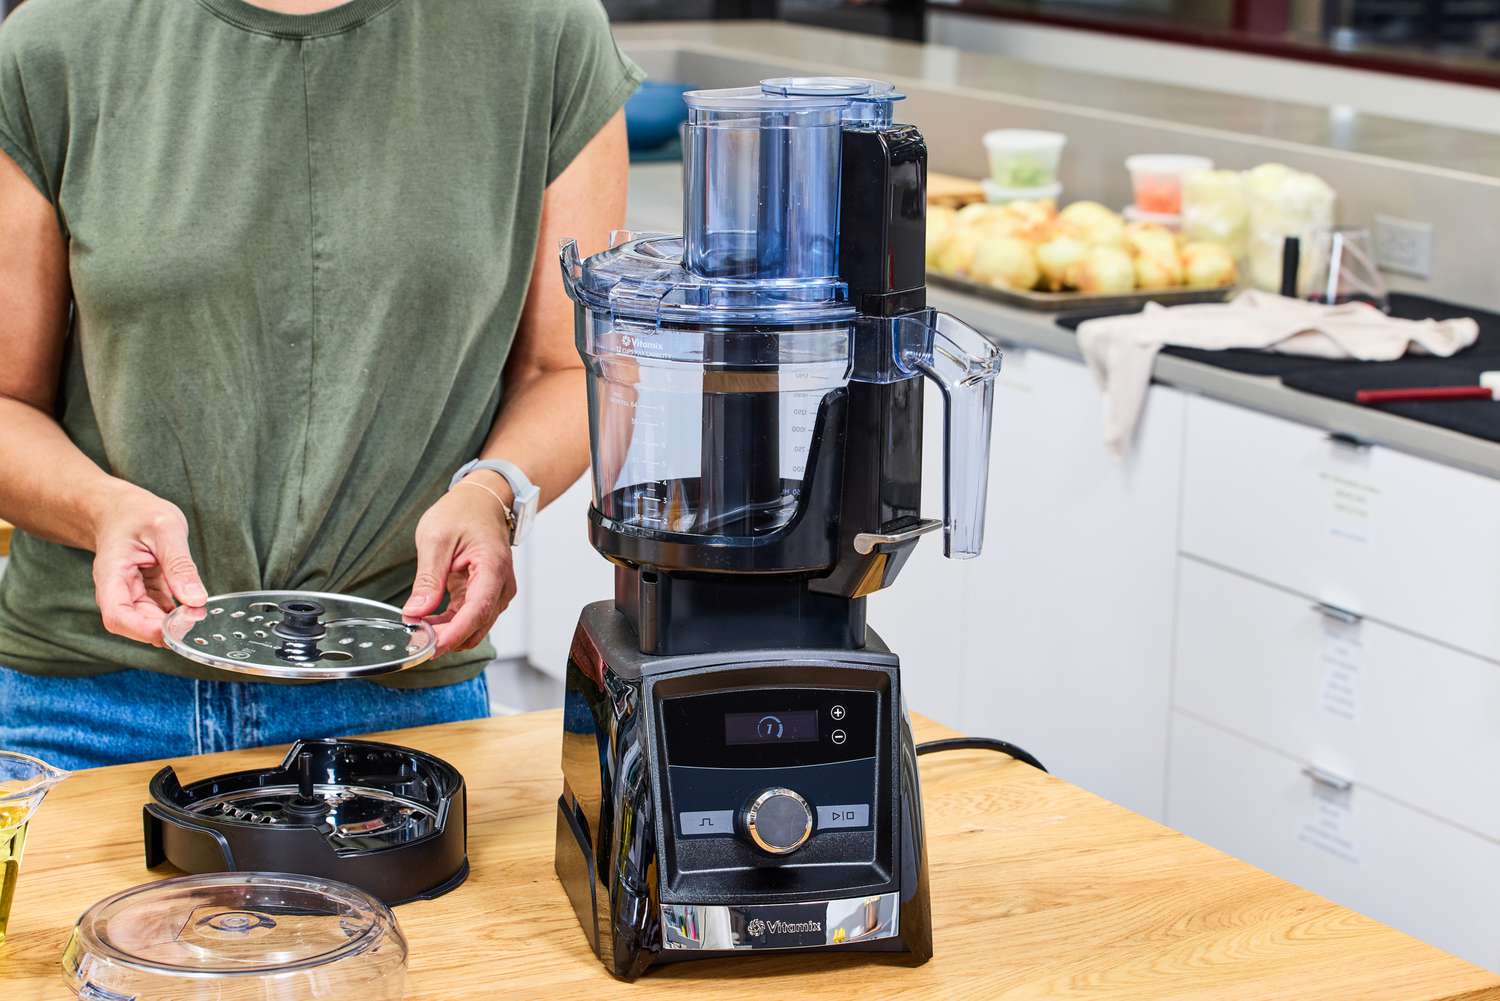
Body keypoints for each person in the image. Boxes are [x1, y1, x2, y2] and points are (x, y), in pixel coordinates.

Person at [0, 0, 642, 768]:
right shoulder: (56, 38)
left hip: (400, 695)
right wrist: (100, 511)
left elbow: (570, 367)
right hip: (87, 701)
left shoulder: (546, 31)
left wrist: (493, 492)